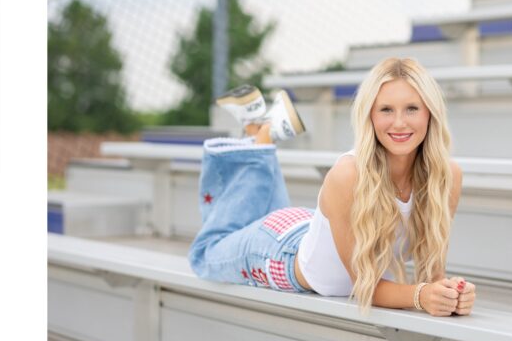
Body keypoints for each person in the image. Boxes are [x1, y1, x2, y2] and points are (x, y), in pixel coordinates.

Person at [184, 61, 473, 317]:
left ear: (430, 114)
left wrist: (452, 294)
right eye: (386, 109)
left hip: (313, 228)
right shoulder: (348, 175)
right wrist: (421, 296)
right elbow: (364, 287)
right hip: (277, 252)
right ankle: (260, 135)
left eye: (412, 108)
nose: (399, 122)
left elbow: (433, 275)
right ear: (369, 116)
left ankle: (261, 130)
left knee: (261, 215)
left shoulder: (447, 176)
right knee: (205, 255)